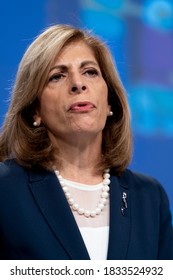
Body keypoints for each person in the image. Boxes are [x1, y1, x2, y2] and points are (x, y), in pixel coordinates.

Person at [0, 24, 172, 260]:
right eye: (57, 76)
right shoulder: (6, 190)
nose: (78, 84)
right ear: (35, 110)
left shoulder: (149, 197)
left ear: (109, 101)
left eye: (90, 72)